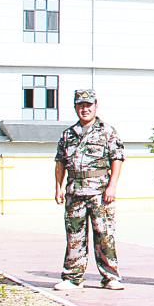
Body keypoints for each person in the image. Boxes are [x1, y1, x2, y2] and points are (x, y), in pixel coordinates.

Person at [53, 89, 126, 291]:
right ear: (75, 107)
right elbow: (60, 162)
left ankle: (110, 277)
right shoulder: (68, 134)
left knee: (104, 235)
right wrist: (58, 187)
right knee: (74, 236)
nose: (84, 109)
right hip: (74, 191)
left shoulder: (107, 131)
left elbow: (117, 159)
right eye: (80, 105)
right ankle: (72, 278)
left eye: (88, 105)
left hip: (99, 192)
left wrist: (112, 186)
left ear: (95, 106)